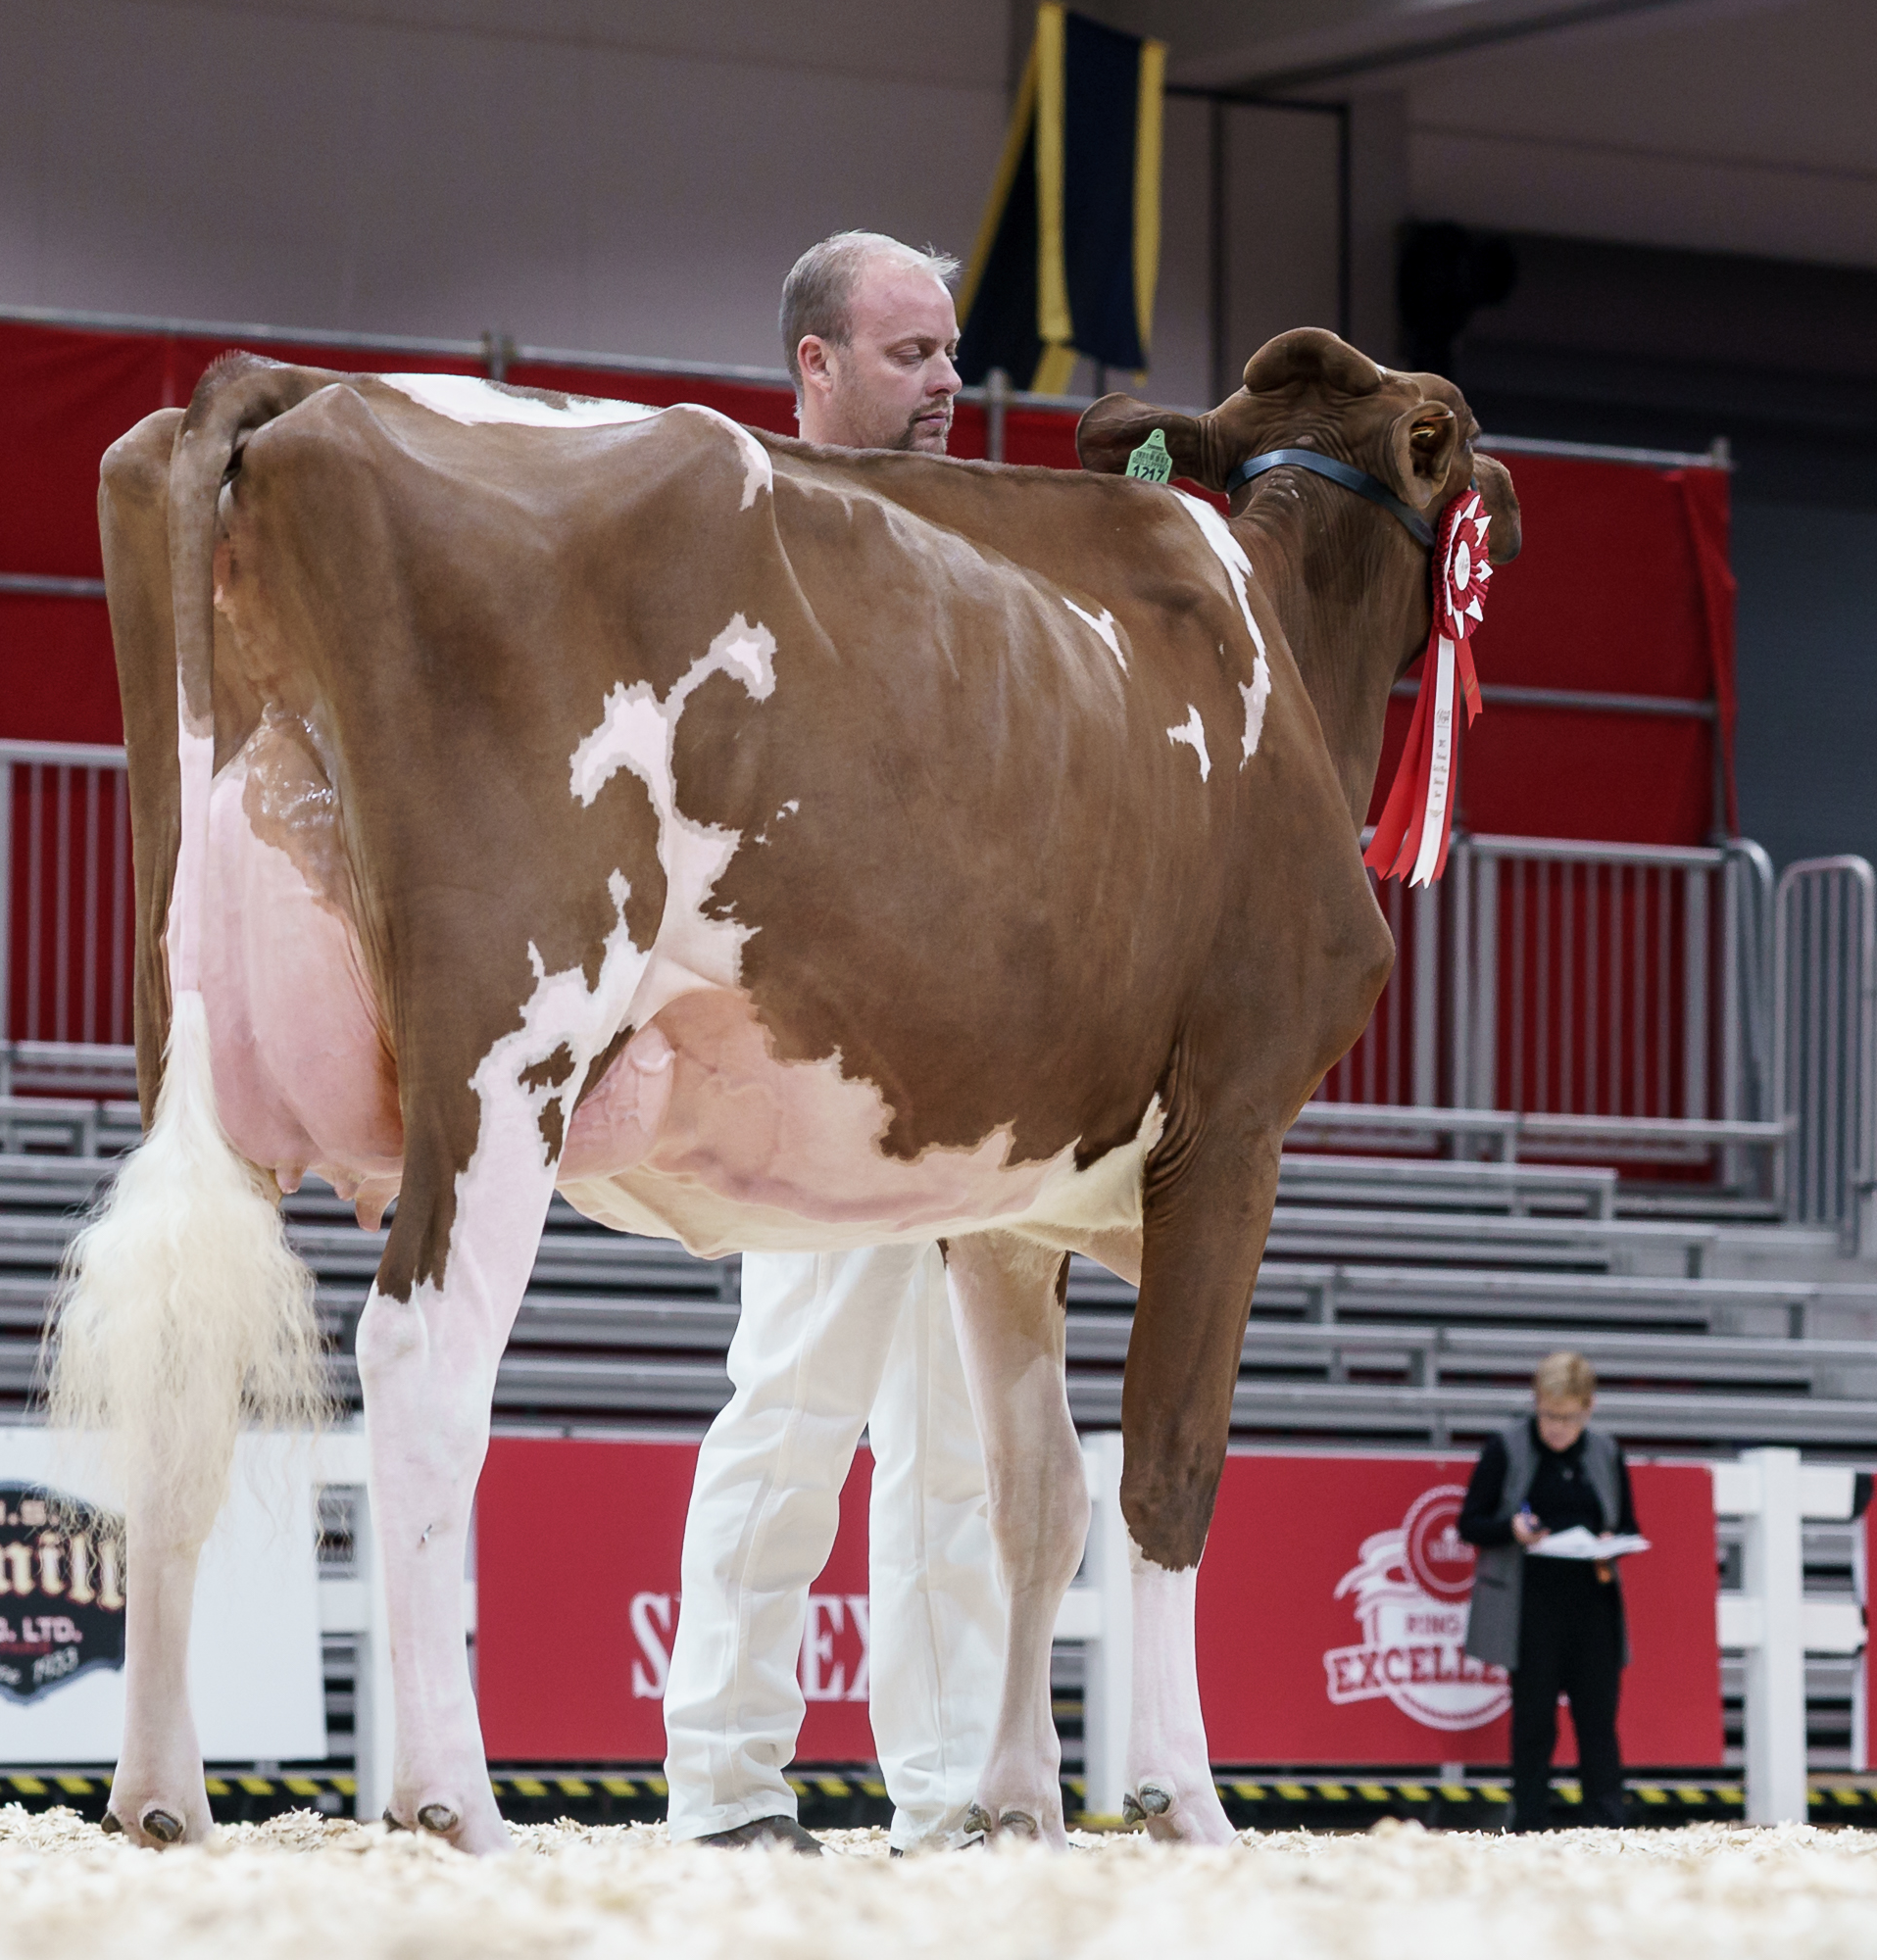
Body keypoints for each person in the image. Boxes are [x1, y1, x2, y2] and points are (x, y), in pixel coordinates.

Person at [661, 232, 1003, 1856]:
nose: (948, 381)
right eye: (911, 353)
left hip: (977, 1065)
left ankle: (955, 1795)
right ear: (816, 362)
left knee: (959, 1452)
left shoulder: (977, 538)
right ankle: (725, 1787)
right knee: (796, 1415)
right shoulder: (747, 533)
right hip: (821, 1054)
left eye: (950, 351)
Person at [1458, 1351, 1638, 1831]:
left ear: (1589, 1408)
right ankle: (1530, 1822)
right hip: (1531, 1605)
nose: (1558, 1428)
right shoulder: (1506, 1447)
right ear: (1536, 1402)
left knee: (1597, 1721)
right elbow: (1470, 1522)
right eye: (1549, 1415)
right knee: (1534, 1721)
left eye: (1569, 1417)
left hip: (1592, 1603)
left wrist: (1610, 1541)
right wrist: (1511, 1529)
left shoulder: (1606, 1452)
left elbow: (1628, 1523)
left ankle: (1607, 1823)